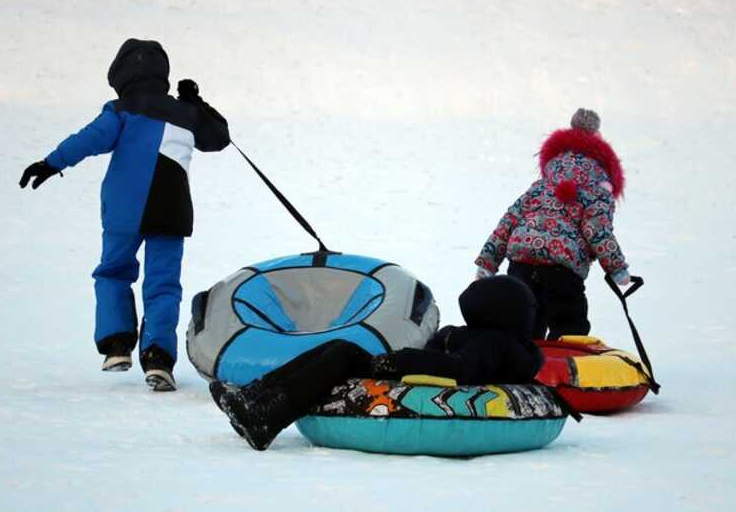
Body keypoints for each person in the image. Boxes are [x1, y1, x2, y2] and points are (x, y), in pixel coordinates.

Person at [18, 38, 230, 391]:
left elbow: (87, 139)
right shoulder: (185, 113)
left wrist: (51, 163)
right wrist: (197, 102)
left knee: (113, 272)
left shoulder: (121, 109)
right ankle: (159, 358)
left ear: (121, 76)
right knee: (163, 284)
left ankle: (116, 345)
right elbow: (219, 137)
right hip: (171, 210)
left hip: (124, 209)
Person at [210, 275, 544, 451]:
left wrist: (400, 363)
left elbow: (461, 370)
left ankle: (267, 418)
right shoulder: (484, 336)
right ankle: (256, 395)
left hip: (415, 380)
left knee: (342, 355)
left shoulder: (494, 342)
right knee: (339, 346)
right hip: (408, 371)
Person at [474, 108, 631, 340]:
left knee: (522, 326)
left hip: (521, 263)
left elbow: (508, 222)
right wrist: (617, 269)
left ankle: (519, 369)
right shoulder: (597, 190)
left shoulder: (540, 186)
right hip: (561, 269)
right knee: (569, 328)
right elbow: (597, 231)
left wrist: (488, 262)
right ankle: (566, 371)